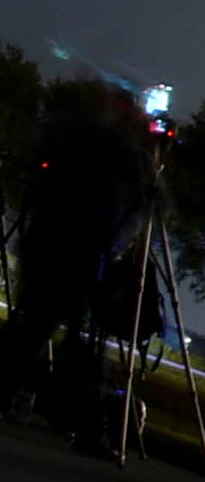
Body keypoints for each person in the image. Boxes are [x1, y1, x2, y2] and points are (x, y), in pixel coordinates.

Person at [0, 79, 149, 445]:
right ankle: (85, 423)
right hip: (82, 249)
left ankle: (12, 390)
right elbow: (147, 195)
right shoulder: (117, 147)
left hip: (45, 241)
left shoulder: (63, 132)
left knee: (33, 323)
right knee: (78, 337)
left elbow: (35, 161)